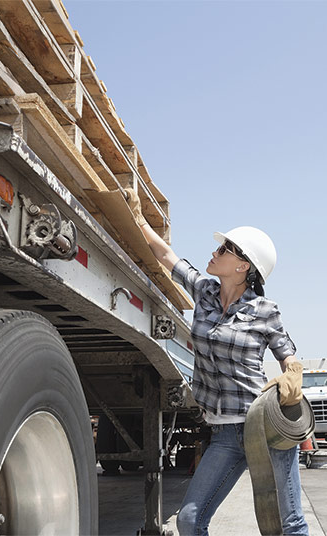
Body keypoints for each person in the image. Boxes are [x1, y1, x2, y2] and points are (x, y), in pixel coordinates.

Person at [125, 189, 308, 536]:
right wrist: (137, 218)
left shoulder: (264, 312)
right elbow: (167, 255)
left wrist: (293, 374)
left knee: (290, 523)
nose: (215, 251)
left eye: (224, 249)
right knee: (190, 520)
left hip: (263, 427)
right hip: (224, 434)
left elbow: (288, 357)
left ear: (243, 266)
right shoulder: (204, 292)